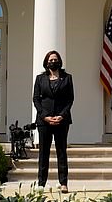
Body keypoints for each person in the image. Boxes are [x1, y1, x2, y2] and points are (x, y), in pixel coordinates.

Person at [33, 50, 74, 192]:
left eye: (55, 60)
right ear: (46, 62)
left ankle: (63, 183)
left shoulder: (67, 78)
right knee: (43, 152)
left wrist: (62, 115)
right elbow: (36, 99)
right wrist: (44, 116)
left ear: (59, 61)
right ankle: (41, 183)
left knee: (61, 151)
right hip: (44, 121)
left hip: (62, 120)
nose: (53, 62)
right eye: (50, 60)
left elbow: (70, 99)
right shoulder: (40, 78)